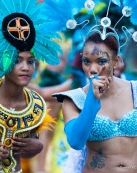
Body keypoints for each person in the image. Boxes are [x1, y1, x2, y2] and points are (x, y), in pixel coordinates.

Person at [0, 0, 62, 172]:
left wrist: (36, 147)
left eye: (30, 61)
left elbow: (28, 150)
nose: (25, 67)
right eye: (17, 60)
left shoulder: (36, 105)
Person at [53, 26, 137, 173]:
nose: (92, 69)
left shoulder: (134, 90)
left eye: (101, 61)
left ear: (116, 61)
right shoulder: (74, 99)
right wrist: (92, 99)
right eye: (87, 61)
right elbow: (76, 142)